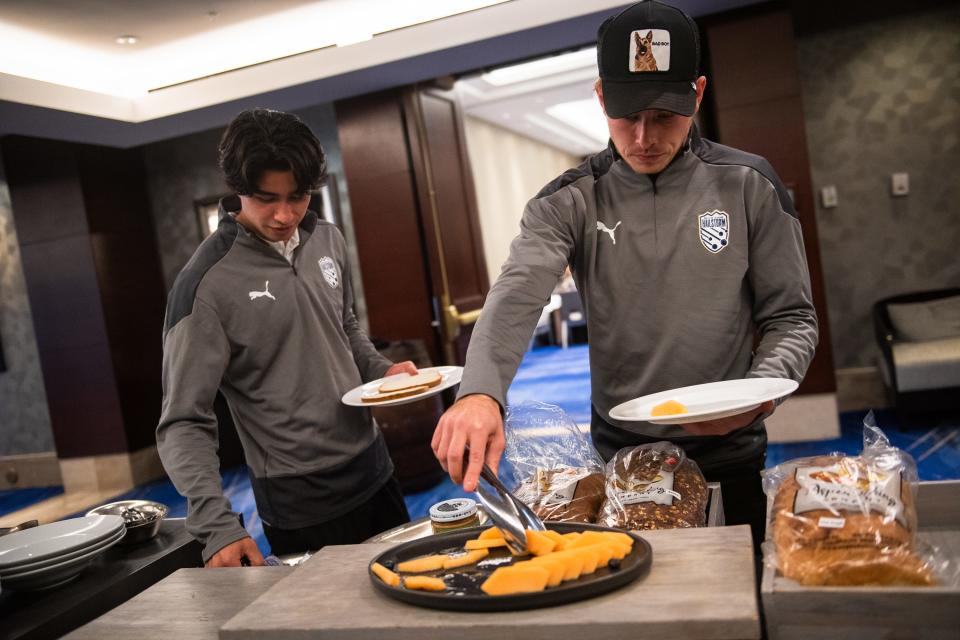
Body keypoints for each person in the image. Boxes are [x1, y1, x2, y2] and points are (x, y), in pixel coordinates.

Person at [432, 0, 818, 549]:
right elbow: (517, 294)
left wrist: (761, 391)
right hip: (624, 455)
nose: (643, 138)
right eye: (626, 115)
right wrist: (480, 392)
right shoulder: (567, 200)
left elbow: (793, 317)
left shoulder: (749, 184)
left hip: (730, 448)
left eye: (664, 115)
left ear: (698, 94)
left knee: (739, 600)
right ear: (600, 97)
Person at [157, 108, 414, 567]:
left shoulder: (327, 239)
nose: (284, 214)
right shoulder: (205, 285)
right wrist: (216, 526)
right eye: (266, 198)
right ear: (237, 189)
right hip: (301, 499)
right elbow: (183, 421)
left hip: (375, 469)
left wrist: (383, 370)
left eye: (298, 197)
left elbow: (346, 327)